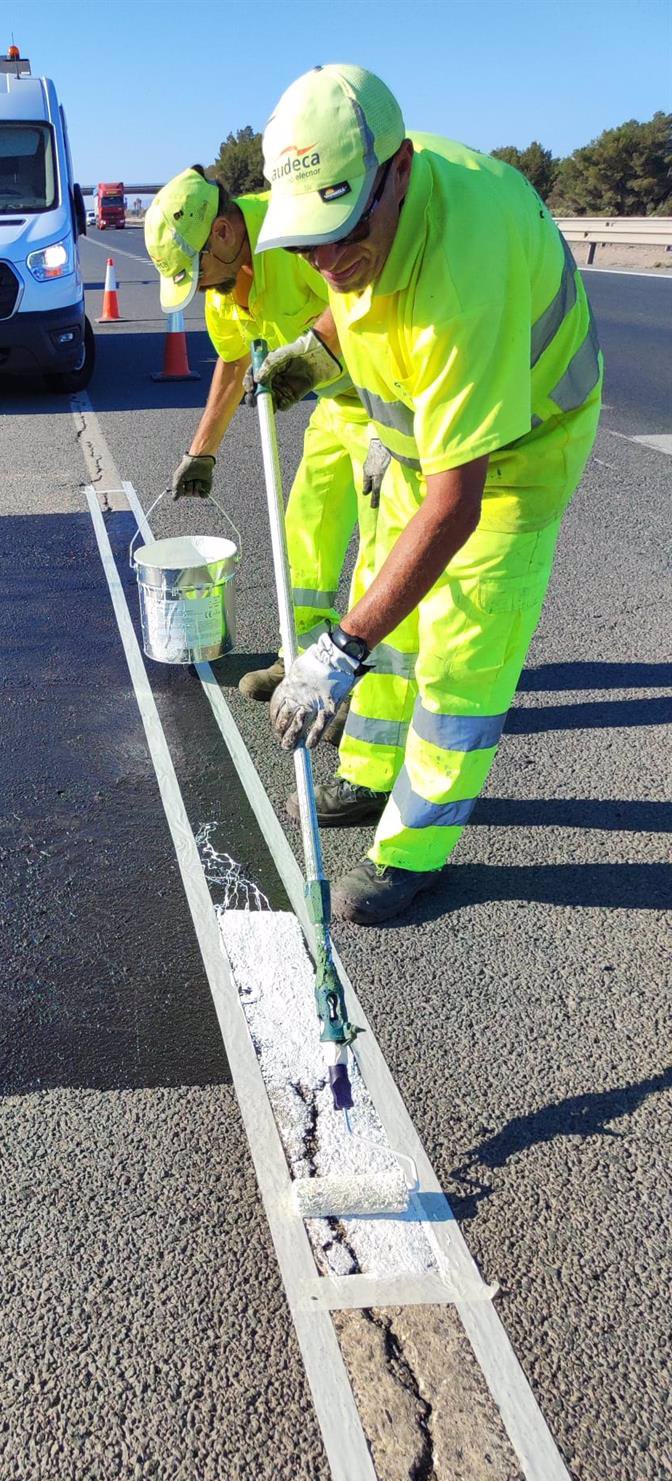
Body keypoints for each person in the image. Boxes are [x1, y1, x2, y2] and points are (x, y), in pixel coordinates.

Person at [251, 64, 602, 923]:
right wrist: (317, 349)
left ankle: (413, 852)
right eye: (307, 240)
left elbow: (458, 506)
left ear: (397, 172)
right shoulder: (368, 216)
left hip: (516, 455)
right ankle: (369, 776)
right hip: (418, 452)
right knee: (390, 604)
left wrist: (336, 653)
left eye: (341, 231)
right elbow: (359, 296)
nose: (326, 259)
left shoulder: (460, 278)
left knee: (456, 659)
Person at [144, 168, 387, 720]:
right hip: (337, 403)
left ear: (225, 233)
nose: (200, 286)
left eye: (197, 271)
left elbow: (365, 301)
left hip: (386, 399)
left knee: (380, 546)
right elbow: (233, 362)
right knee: (305, 529)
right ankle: (300, 660)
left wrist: (389, 421)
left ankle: (363, 688)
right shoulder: (223, 284)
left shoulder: (298, 230)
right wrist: (202, 451)